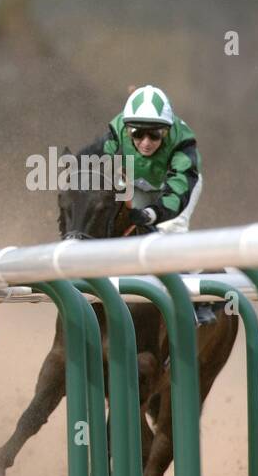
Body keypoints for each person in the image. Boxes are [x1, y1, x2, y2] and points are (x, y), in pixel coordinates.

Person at [79, 84, 212, 323]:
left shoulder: (184, 143)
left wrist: (152, 214)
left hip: (175, 187)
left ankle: (197, 300)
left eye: (155, 135)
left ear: (167, 131)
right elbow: (99, 162)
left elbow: (177, 193)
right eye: (138, 134)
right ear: (127, 128)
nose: (146, 142)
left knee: (170, 234)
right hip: (138, 182)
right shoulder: (117, 129)